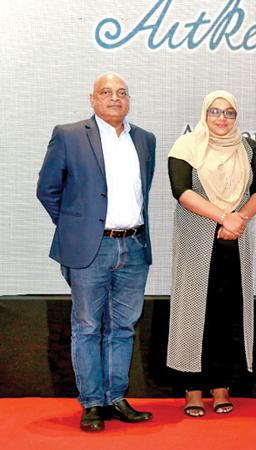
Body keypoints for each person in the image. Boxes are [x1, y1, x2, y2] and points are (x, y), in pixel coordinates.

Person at [36, 72, 156, 432]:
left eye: (122, 92)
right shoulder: (69, 135)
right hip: (91, 248)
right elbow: (48, 190)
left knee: (122, 327)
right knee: (87, 326)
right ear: (93, 99)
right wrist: (78, 228)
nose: (115, 98)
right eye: (106, 92)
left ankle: (116, 398)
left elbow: (142, 191)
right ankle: (91, 403)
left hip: (133, 246)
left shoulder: (145, 140)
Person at [166, 90, 256, 417]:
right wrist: (225, 217)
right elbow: (180, 191)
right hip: (197, 239)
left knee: (229, 313)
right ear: (204, 114)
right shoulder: (186, 146)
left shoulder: (249, 148)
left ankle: (222, 385)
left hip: (235, 240)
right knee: (194, 312)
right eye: (215, 112)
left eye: (229, 113)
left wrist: (238, 220)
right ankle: (192, 389)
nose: (222, 119)